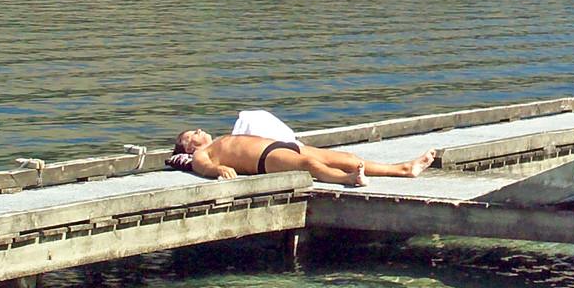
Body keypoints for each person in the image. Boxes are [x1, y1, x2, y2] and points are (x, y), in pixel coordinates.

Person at [166, 108, 434, 187]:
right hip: (265, 159)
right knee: (309, 166)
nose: (199, 131)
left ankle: (404, 169)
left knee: (347, 156)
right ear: (188, 148)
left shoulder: (223, 138)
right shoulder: (204, 153)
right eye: (193, 135)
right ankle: (347, 180)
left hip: (280, 146)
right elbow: (202, 166)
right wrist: (219, 169)